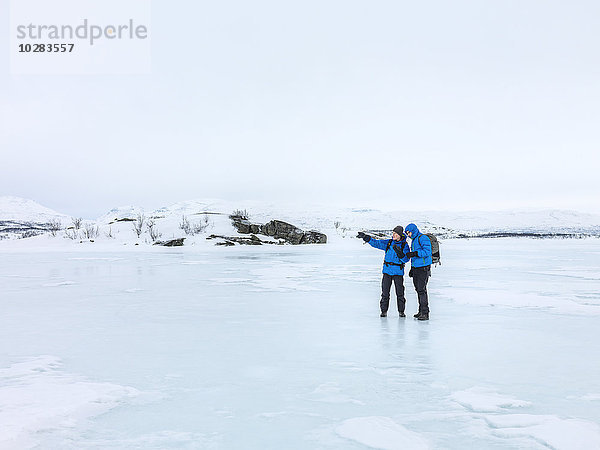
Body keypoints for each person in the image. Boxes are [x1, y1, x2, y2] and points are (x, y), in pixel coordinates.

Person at [357, 226, 410, 317]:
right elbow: (377, 243)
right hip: (387, 272)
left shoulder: (404, 245)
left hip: (398, 273)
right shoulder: (389, 242)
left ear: (400, 235)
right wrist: (366, 237)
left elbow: (406, 259)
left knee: (400, 294)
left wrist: (400, 254)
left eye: (395, 234)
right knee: (385, 293)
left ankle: (401, 312)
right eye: (393, 233)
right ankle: (383, 311)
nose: (393, 235)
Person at [403, 223, 432, 320]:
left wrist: (415, 253)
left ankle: (425, 312)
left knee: (421, 290)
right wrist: (412, 268)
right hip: (416, 268)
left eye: (409, 232)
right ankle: (421, 311)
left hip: (423, 268)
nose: (408, 235)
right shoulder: (414, 240)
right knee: (418, 290)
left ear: (413, 230)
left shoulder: (422, 238)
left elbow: (428, 251)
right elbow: (414, 258)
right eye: (407, 233)